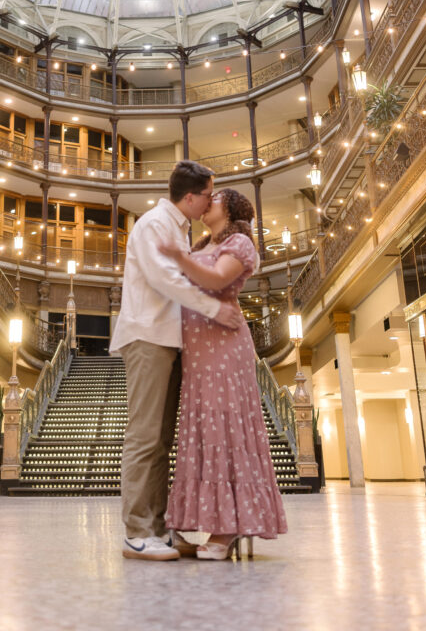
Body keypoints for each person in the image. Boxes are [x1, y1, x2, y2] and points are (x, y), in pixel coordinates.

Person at [110, 161, 243, 561]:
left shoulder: (181, 229)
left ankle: (159, 528)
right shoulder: (154, 224)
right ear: (190, 196)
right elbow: (165, 279)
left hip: (170, 340)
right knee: (145, 436)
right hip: (148, 335)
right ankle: (137, 531)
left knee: (163, 440)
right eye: (207, 194)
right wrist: (213, 310)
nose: (209, 203)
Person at [160, 188, 288, 559]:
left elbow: (217, 280)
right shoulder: (199, 242)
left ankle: (228, 527)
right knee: (201, 433)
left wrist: (175, 257)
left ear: (229, 207)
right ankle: (196, 523)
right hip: (196, 355)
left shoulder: (241, 243)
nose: (206, 202)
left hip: (224, 350)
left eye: (213, 198)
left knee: (226, 430)